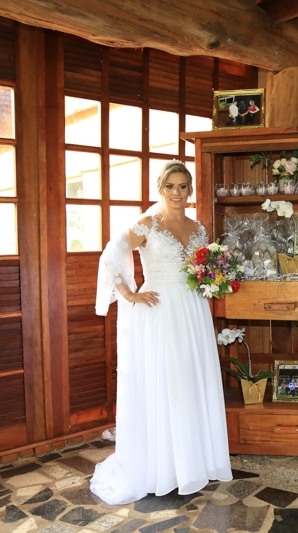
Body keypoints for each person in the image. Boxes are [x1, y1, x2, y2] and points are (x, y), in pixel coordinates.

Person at [92, 161, 232, 505]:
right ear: (161, 189)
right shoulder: (147, 224)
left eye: (183, 186)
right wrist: (128, 294)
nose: (177, 193)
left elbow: (201, 268)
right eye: (170, 186)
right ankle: (162, 467)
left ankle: (192, 463)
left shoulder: (199, 228)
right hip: (159, 311)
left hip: (193, 310)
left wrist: (212, 281)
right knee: (164, 382)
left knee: (190, 380)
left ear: (190, 190)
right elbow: (110, 256)